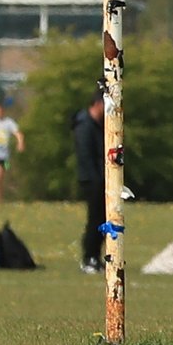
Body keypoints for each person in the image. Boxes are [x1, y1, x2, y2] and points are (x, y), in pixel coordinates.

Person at [72, 93, 105, 274]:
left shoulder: (98, 125)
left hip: (100, 178)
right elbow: (86, 155)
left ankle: (96, 256)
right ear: (98, 104)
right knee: (94, 219)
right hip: (91, 179)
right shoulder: (85, 125)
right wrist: (97, 177)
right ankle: (89, 257)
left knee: (103, 219)